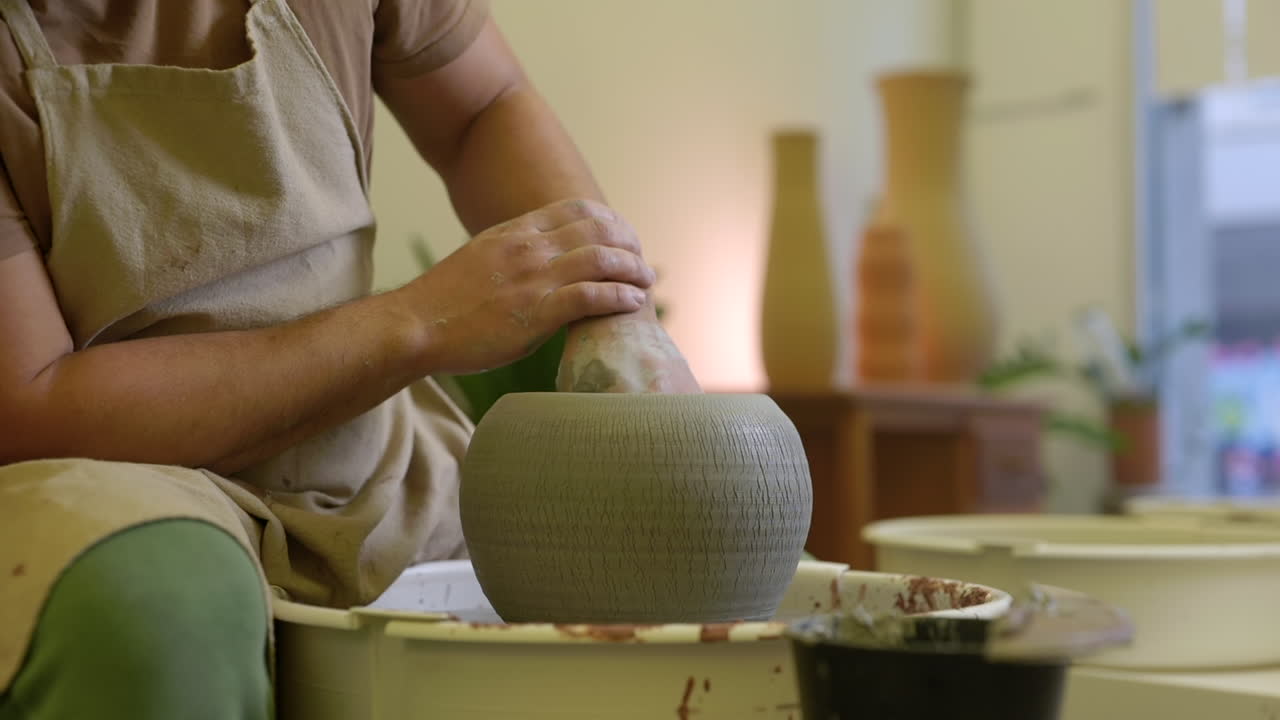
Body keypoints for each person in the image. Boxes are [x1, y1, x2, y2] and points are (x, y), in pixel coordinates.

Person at [0, 0, 700, 717]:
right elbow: (33, 402)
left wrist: (617, 313)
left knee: (709, 577)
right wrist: (417, 321)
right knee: (154, 609)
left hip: (375, 458)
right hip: (108, 483)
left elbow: (482, 107)